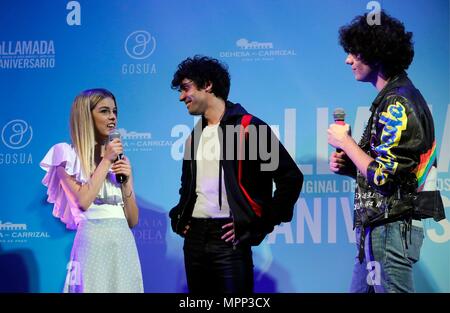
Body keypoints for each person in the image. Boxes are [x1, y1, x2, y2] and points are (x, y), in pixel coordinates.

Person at [328, 11, 445, 292]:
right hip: (378, 225)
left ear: (375, 53)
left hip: (391, 227)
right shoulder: (392, 98)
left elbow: (385, 178)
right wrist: (351, 165)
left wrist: (347, 144)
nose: (348, 60)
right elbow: (387, 171)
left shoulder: (397, 103)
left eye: (354, 53)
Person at [169, 55, 303, 293]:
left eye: (186, 88)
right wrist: (180, 218)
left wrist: (260, 221)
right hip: (194, 241)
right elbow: (187, 188)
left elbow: (290, 177)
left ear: (207, 85)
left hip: (229, 240)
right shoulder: (194, 136)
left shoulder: (249, 127)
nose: (181, 97)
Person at [40, 88, 144, 293]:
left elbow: (133, 220)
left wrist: (127, 183)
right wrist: (106, 160)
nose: (112, 116)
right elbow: (82, 202)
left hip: (123, 244)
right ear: (86, 115)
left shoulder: (121, 159)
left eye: (114, 111)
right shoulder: (65, 155)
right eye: (104, 111)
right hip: (93, 241)